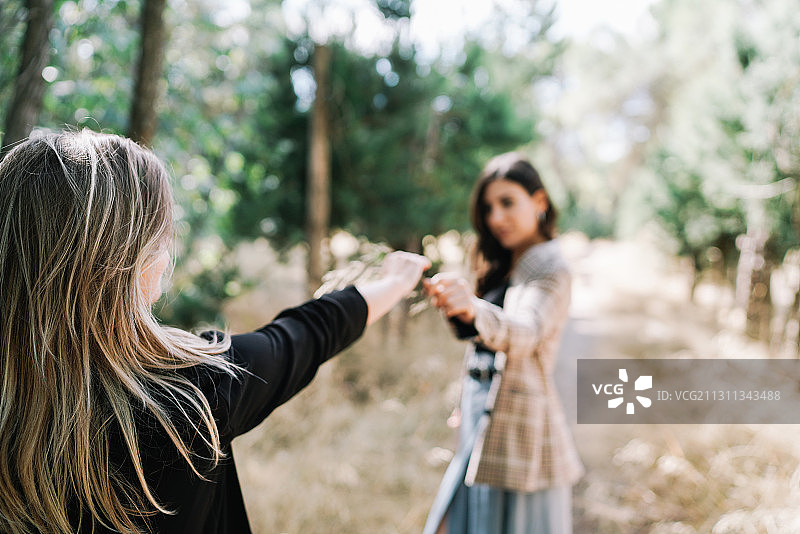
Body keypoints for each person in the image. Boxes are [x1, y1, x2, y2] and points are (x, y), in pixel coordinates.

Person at [0, 130, 430, 534]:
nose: (168, 250)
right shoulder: (194, 392)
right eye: (162, 235)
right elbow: (303, 335)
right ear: (131, 261)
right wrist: (393, 283)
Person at [422, 152, 583, 534]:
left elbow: (524, 332)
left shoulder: (552, 268)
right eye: (488, 208)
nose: (495, 218)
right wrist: (468, 399)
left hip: (520, 429)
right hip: (481, 414)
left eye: (507, 203)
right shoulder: (507, 263)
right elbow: (484, 350)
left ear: (539, 202)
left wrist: (474, 310)